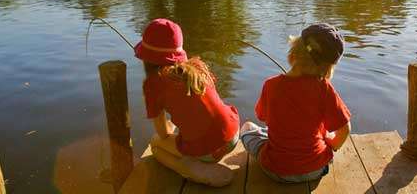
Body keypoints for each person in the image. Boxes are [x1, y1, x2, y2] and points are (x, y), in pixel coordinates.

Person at [241, 23, 352, 183]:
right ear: (328, 68)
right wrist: (333, 145)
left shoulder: (271, 85)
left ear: (292, 55)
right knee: (324, 133)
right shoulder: (324, 89)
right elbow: (345, 129)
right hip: (316, 169)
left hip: (275, 169)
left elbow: (262, 116)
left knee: (248, 127)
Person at [136, 18, 240, 187]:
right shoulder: (197, 66)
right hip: (232, 136)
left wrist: (168, 129)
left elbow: (162, 134)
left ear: (147, 58)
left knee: (155, 145)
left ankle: (190, 169)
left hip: (209, 151)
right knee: (177, 130)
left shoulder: (152, 85)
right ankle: (200, 159)